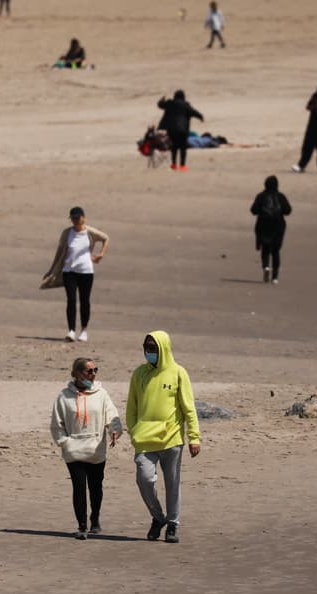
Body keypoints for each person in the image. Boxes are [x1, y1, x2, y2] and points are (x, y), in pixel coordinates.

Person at [127, 331, 201, 544]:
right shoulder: (139, 374)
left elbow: (189, 408)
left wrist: (194, 437)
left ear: (164, 349)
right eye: (146, 347)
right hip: (144, 439)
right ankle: (158, 517)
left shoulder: (178, 373)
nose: (149, 352)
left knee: (172, 484)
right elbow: (131, 406)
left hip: (171, 439)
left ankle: (172, 524)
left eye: (153, 348)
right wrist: (133, 430)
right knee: (145, 479)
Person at [51, 357, 124, 539]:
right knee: (79, 486)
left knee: (95, 486)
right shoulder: (63, 396)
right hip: (73, 449)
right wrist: (64, 442)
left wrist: (114, 430)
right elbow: (56, 424)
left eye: (95, 370)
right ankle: (82, 525)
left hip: (96, 448)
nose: (92, 374)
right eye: (88, 371)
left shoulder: (101, 394)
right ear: (76, 373)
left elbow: (111, 414)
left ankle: (95, 519)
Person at [41, 207, 110, 342]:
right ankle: (71, 330)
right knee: (71, 300)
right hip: (69, 271)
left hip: (86, 271)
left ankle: (83, 330)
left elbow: (106, 238)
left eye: (77, 218)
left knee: (85, 301)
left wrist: (101, 254)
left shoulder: (90, 232)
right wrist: (51, 270)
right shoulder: (67, 233)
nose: (75, 221)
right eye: (73, 219)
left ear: (83, 218)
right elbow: (60, 251)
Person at [250, 175, 291, 284]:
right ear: (277, 185)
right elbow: (288, 210)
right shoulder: (281, 197)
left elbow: (253, 210)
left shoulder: (261, 196)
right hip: (278, 227)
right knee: (276, 251)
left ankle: (266, 267)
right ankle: (275, 277)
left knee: (265, 249)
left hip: (263, 226)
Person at [157, 90, 204, 172]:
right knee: (183, 147)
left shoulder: (169, 103)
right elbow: (194, 112)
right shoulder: (186, 105)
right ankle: (182, 166)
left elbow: (160, 104)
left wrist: (163, 98)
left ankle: (174, 165)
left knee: (174, 147)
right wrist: (200, 117)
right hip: (183, 130)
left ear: (174, 96)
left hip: (171, 130)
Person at [291, 83, 317, 174]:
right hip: (311, 126)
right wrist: (313, 107)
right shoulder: (314, 96)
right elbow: (308, 107)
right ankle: (301, 165)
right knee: (307, 147)